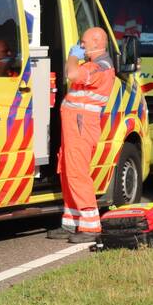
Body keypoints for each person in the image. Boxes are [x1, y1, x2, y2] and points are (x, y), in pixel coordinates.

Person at [50, 27, 115, 243]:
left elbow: (72, 74)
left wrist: (71, 57)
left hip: (81, 126)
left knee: (77, 173)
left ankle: (91, 226)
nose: (81, 44)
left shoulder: (100, 66)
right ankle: (72, 222)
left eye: (84, 41)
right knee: (68, 171)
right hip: (75, 126)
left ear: (97, 41)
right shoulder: (94, 64)